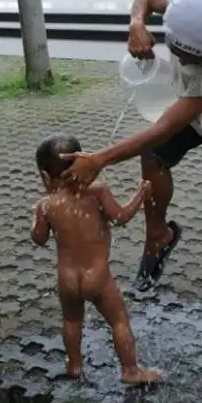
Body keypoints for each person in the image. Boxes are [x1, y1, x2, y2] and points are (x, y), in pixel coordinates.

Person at [61, 0, 202, 336]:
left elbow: (166, 126)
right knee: (154, 157)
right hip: (200, 113)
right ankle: (159, 234)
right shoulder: (191, 8)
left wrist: (100, 159)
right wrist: (136, 23)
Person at [32, 132, 159, 385]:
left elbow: (39, 239)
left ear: (46, 177)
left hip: (67, 278)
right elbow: (120, 217)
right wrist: (141, 195)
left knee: (71, 320)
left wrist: (37, 217)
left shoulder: (46, 205)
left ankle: (75, 366)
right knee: (119, 320)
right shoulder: (96, 191)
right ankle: (131, 370)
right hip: (97, 276)